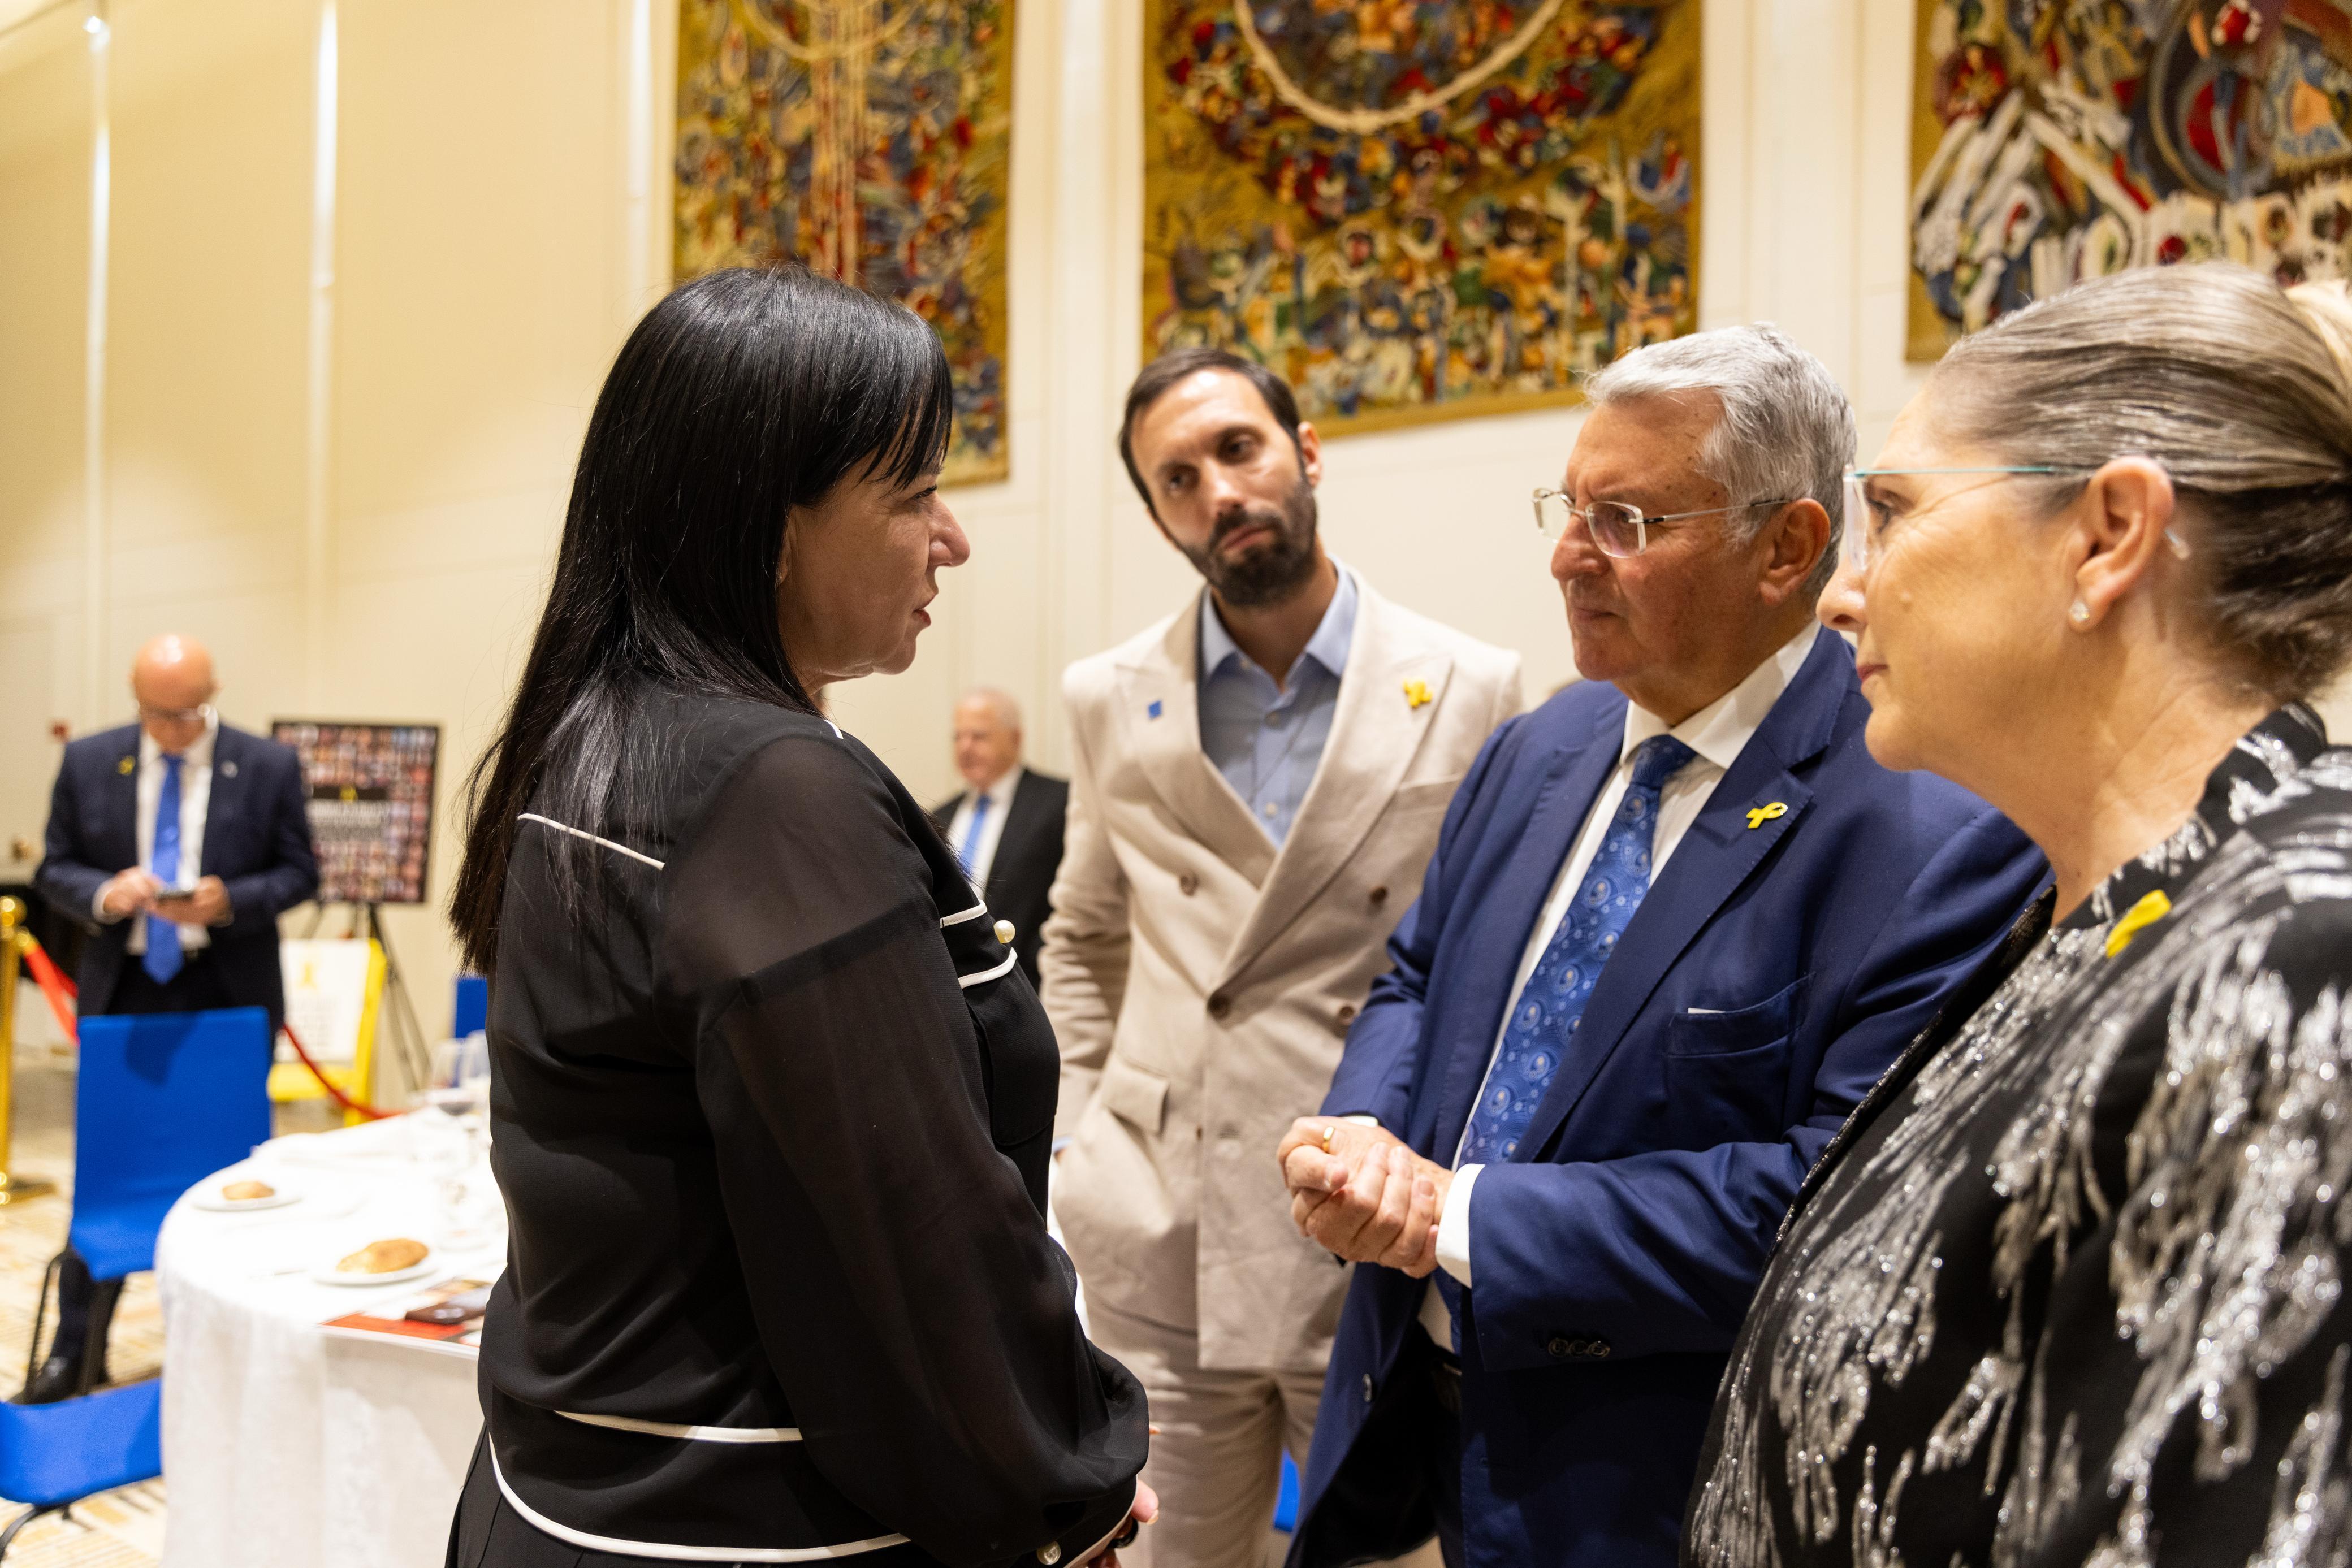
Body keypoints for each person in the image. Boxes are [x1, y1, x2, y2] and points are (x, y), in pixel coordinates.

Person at [1276, 326, 2050, 1568]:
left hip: (1659, 1482)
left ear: (1787, 546)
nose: (1566, 556)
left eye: (1625, 522)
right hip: (1429, 1422)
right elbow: (1419, 977)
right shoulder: (1543, 745)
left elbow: (1830, 1201)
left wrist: (1453, 1215)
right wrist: (1363, 1137)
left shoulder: (1933, 824)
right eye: (1568, 509)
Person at [444, 267, 1151, 1568]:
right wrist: (1068, 1476)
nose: (952, 538)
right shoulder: (769, 788)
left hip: (574, 1485)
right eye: (915, 492)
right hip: (740, 1515)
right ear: (772, 525)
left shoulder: (593, 735)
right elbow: (909, 1226)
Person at [1684, 266, 2352, 1565]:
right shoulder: (2093, 909)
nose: (1841, 593)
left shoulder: (2295, 955)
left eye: (1892, 513)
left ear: (2106, 535)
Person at [1044, 346, 1522, 1567]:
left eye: (1239, 448)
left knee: (1386, 1555)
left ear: (1305, 451)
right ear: (1160, 515)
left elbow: (1492, 956)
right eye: (1178, 478)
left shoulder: (1470, 686)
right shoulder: (1108, 696)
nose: (1219, 490)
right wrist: (1081, 1133)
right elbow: (1083, 935)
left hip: (1366, 1219)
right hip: (1158, 1229)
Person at [27, 633, 318, 1404]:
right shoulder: (90, 759)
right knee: (109, 1173)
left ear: (213, 694)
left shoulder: (267, 764)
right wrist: (106, 893)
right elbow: (54, 868)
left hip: (225, 996)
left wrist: (230, 901)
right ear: (137, 703)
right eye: (159, 715)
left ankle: (231, 1360)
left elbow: (300, 872)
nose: (175, 729)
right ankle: (75, 1352)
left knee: (232, 1176)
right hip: (126, 995)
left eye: (189, 713)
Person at [929, 688, 1067, 986]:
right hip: (954, 984)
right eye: (958, 737)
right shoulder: (940, 817)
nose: (965, 747)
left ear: (1015, 739)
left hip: (1030, 983)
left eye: (978, 736)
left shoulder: (1059, 803)